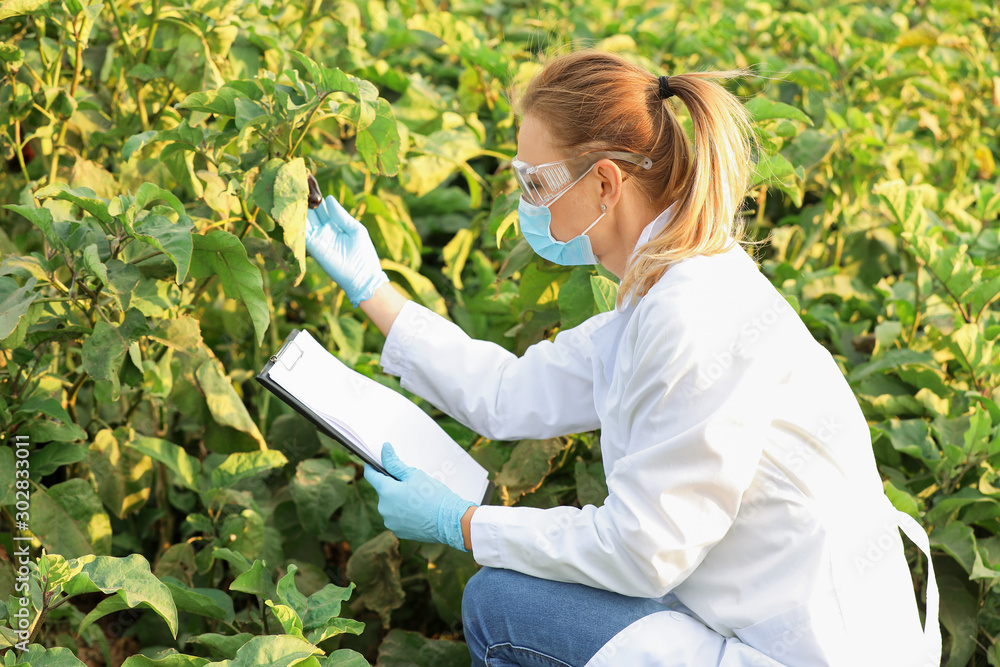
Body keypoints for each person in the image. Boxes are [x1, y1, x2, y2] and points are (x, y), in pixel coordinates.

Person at [304, 51, 941, 667]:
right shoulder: (664, 295)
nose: (526, 203)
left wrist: (466, 525)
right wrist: (371, 287)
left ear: (606, 183)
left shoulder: (692, 318)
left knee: (498, 603)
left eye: (536, 183)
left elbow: (643, 552)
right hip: (751, 614)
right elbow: (506, 391)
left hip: (802, 652)